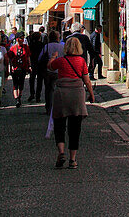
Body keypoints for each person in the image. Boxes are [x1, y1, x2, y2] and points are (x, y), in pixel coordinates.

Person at [47, 35, 94, 169]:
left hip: (62, 94)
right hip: (77, 95)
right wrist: (91, 94)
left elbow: (50, 67)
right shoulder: (81, 61)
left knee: (59, 125)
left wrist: (53, 57)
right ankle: (73, 159)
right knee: (75, 128)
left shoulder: (61, 61)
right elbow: (87, 80)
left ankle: (61, 151)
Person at [39, 29, 65, 114]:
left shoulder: (46, 46)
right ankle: (57, 107)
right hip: (59, 71)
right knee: (57, 90)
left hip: (48, 71)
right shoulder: (62, 47)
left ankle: (48, 107)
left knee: (48, 90)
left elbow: (40, 59)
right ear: (58, 38)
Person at [8, 32, 31, 107]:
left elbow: (28, 57)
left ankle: (19, 97)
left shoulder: (26, 47)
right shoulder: (13, 48)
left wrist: (30, 66)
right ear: (17, 39)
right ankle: (16, 99)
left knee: (21, 83)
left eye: (23, 38)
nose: (22, 39)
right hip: (15, 67)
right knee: (15, 83)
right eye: (21, 38)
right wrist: (10, 66)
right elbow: (10, 58)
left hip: (23, 67)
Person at [28, 27, 45, 101]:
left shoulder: (30, 45)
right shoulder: (42, 45)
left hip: (32, 63)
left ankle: (32, 93)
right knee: (40, 80)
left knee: (32, 79)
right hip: (40, 64)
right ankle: (38, 96)